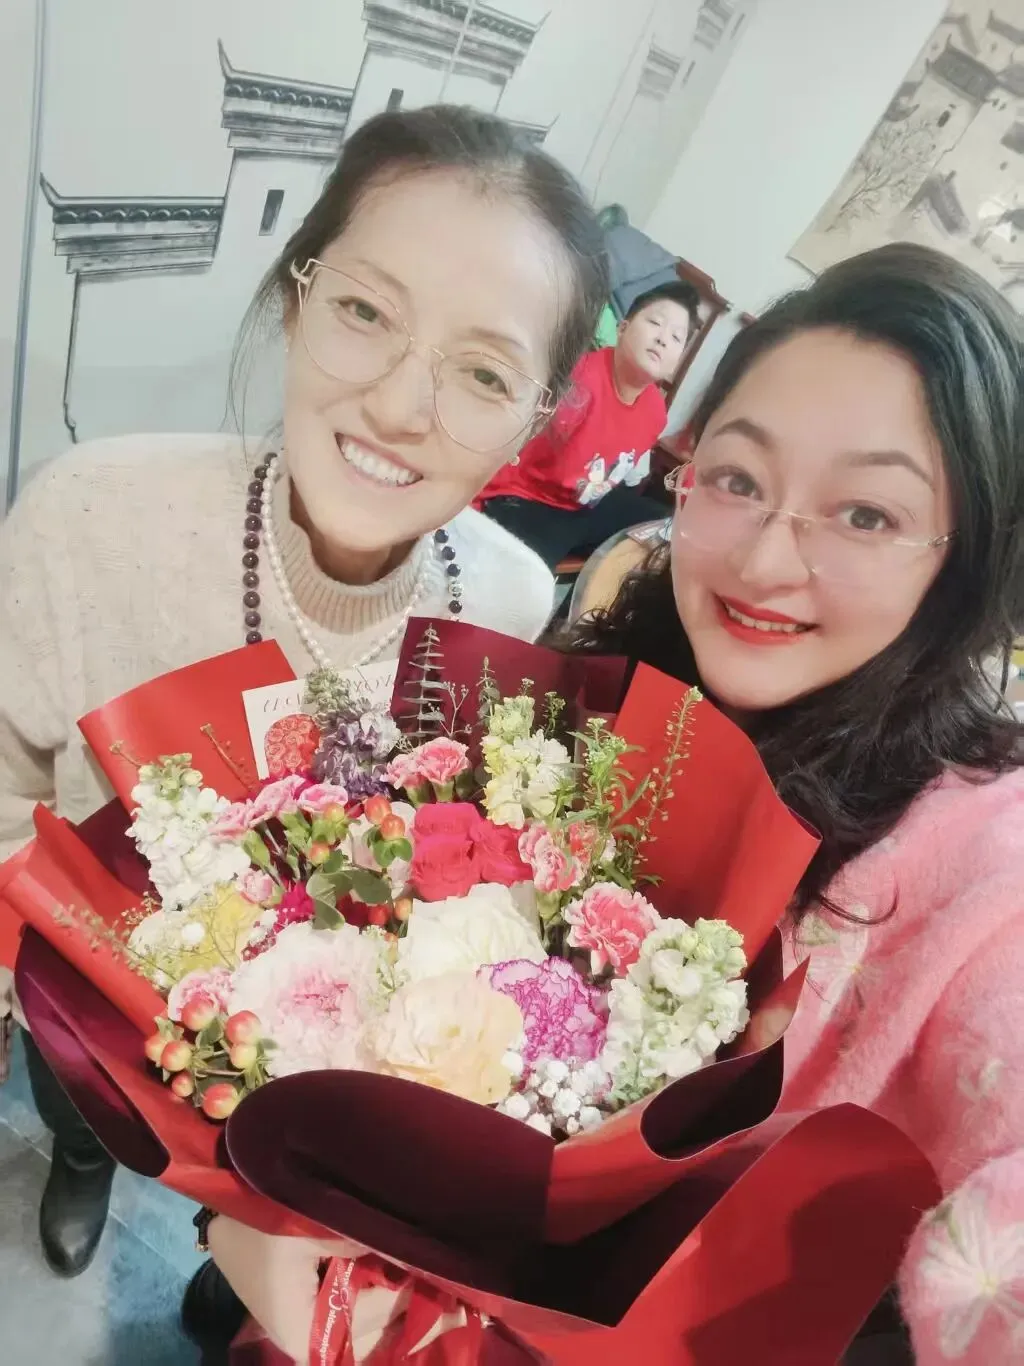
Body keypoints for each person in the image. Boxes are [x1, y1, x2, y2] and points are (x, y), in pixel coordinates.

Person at [0, 102, 607, 1316]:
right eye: (366, 312)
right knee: (84, 1109)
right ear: (295, 296)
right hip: (98, 1006)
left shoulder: (509, 596)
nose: (400, 405)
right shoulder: (92, 514)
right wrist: (87, 985)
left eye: (483, 373)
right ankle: (81, 1159)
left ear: (533, 418)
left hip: (318, 1056)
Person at [567, 242, 1024, 1365]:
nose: (766, 561)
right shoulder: (597, 675)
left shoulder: (978, 854)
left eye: (864, 514)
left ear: (966, 559)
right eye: (737, 479)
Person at [477, 280, 698, 569]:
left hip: (585, 504)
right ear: (622, 328)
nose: (662, 339)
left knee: (668, 527)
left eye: (676, 337)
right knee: (526, 576)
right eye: (655, 323)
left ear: (676, 362)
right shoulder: (577, 381)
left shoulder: (656, 412)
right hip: (526, 498)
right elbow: (503, 441)